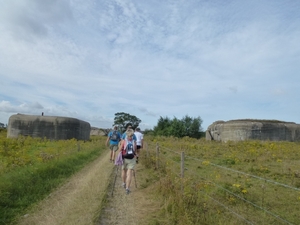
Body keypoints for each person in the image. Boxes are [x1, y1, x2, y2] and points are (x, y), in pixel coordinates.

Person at [119, 128, 137, 194]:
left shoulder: (124, 141)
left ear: (126, 134)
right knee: (129, 173)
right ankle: (127, 188)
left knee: (123, 170)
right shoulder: (134, 141)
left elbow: (120, 149)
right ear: (132, 135)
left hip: (124, 158)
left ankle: (124, 183)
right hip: (131, 159)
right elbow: (135, 151)